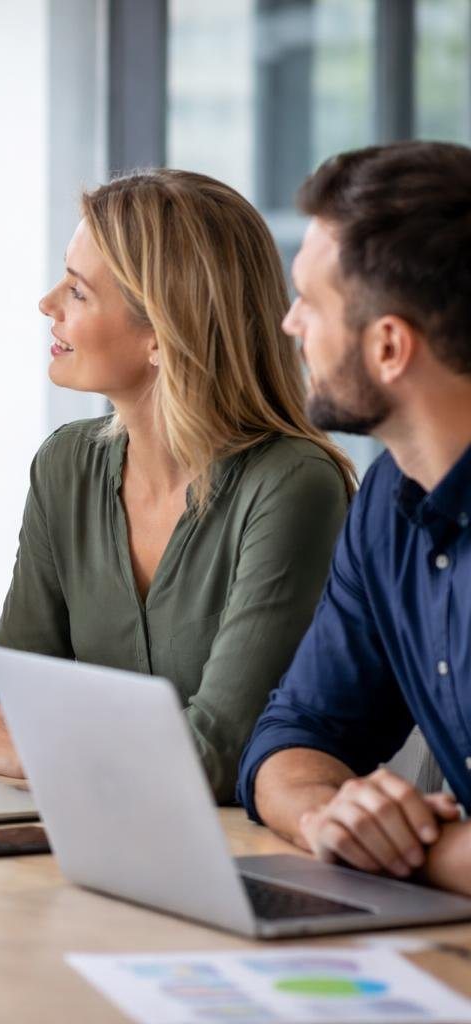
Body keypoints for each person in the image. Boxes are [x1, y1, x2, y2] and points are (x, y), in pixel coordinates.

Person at [0, 169, 354, 803]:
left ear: (161, 336)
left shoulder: (292, 485)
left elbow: (219, 754)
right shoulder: (65, 466)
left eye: (78, 293)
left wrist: (49, 751)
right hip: (83, 831)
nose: (48, 304)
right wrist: (69, 751)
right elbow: (5, 707)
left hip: (237, 859)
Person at [238, 141, 471, 894]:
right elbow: (296, 733)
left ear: (390, 346)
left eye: (311, 301)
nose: (288, 324)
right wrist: (325, 818)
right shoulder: (388, 504)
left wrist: (416, 852)